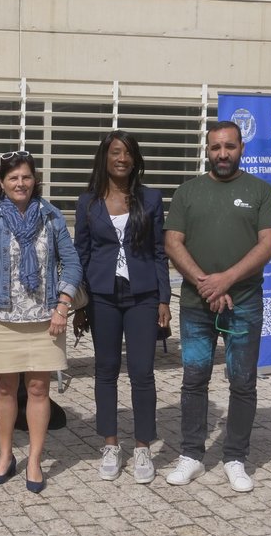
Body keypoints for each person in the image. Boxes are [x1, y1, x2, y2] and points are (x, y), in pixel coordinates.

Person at [163, 121, 271, 493]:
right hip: (197, 305)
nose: (222, 154)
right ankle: (193, 455)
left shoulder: (261, 191)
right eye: (215, 147)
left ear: (241, 148)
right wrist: (207, 283)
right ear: (207, 150)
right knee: (194, 379)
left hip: (244, 303)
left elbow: (269, 244)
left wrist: (226, 279)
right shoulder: (188, 192)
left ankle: (235, 456)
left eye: (229, 146)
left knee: (243, 383)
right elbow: (172, 243)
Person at [0, 151, 81, 493]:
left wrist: (62, 307)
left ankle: (33, 459)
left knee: (38, 389)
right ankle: (4, 456)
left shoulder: (52, 217)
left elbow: (72, 264)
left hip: (46, 321)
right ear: (0, 183)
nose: (20, 183)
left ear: (35, 180)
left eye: (26, 177)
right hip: (1, 320)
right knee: (4, 389)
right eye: (13, 177)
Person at [74, 131, 171, 484]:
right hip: (102, 296)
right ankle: (111, 444)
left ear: (135, 159)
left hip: (143, 295)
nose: (122, 158)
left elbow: (160, 251)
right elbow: (80, 255)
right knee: (106, 370)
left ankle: (143, 445)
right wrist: (79, 303)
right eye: (116, 152)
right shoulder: (88, 202)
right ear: (105, 157)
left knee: (143, 371)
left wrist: (164, 298)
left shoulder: (151, 198)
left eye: (128, 153)